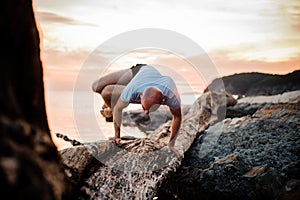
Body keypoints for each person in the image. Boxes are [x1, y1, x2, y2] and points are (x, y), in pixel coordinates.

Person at [92, 64, 182, 150]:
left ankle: (115, 102)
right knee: (96, 87)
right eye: (144, 107)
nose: (146, 112)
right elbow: (118, 108)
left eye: (151, 109)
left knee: (106, 91)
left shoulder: (171, 95)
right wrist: (117, 137)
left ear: (163, 101)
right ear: (141, 95)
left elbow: (177, 116)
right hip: (137, 72)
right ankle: (111, 108)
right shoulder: (132, 91)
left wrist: (171, 145)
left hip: (142, 82)